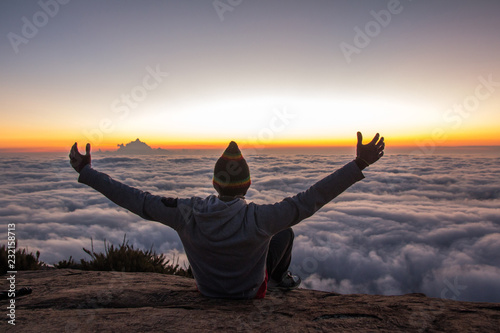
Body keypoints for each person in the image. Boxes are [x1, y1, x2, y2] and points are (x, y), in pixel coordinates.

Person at [69, 132, 384, 299]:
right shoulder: (261, 218)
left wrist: (87, 172)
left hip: (207, 291)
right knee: (285, 232)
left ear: (214, 183)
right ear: (248, 184)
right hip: (250, 295)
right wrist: (358, 165)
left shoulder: (186, 212)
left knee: (282, 231)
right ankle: (281, 280)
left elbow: (137, 200)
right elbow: (310, 200)